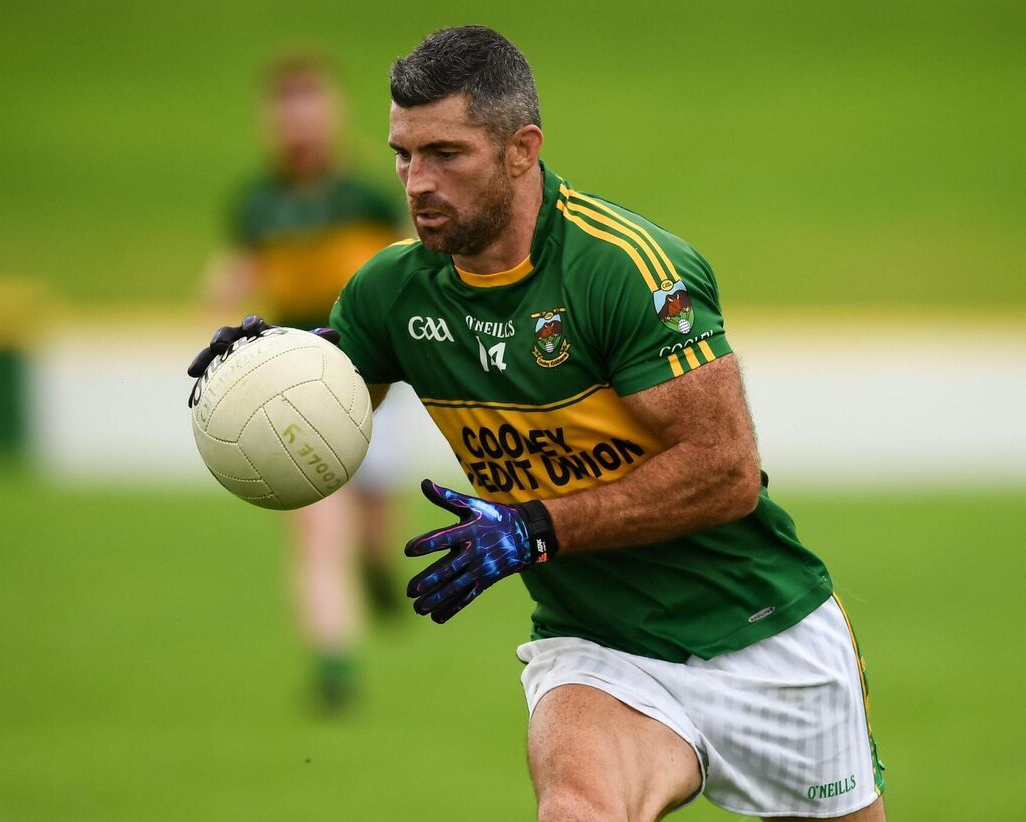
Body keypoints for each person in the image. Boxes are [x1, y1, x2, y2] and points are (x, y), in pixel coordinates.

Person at [189, 26, 886, 820]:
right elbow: (329, 392)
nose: (416, 182)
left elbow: (725, 473)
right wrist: (263, 370)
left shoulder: (625, 270)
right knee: (574, 811)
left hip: (764, 636)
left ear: (522, 149)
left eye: (445, 154)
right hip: (598, 650)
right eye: (402, 154)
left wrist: (537, 527)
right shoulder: (391, 292)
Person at [206, 52, 406, 712]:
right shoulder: (257, 204)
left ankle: (378, 570)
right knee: (320, 527)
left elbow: (410, 264)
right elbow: (233, 276)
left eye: (310, 108)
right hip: (296, 383)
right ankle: (336, 673)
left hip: (371, 375)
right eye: (285, 111)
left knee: (375, 517)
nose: (298, 126)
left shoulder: (368, 197)